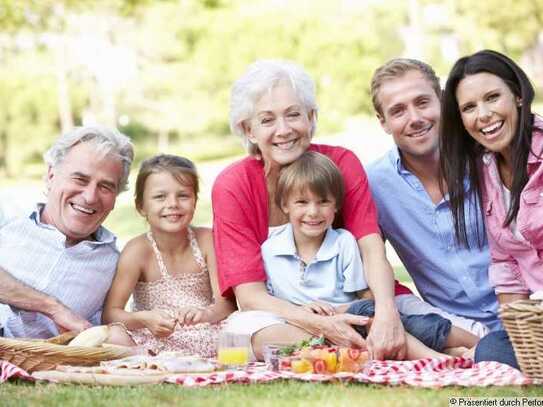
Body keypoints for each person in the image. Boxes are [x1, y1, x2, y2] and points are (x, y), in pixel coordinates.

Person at [212, 59, 409, 361]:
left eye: (293, 115)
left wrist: (386, 312)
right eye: (267, 120)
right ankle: (368, 349)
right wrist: (322, 325)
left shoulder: (341, 164)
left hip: (357, 303)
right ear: (248, 129)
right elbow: (249, 296)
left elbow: (371, 248)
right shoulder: (233, 185)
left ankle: (369, 344)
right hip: (283, 314)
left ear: (311, 117)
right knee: (245, 332)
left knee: (410, 318)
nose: (284, 130)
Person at [263, 151, 478, 359]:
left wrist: (333, 311)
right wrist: (305, 313)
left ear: (336, 205)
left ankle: (476, 343)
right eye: (302, 202)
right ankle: (436, 358)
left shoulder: (343, 242)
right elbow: (268, 303)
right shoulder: (271, 249)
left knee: (406, 322)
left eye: (323, 202)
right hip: (306, 328)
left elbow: (363, 298)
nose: (313, 212)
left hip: (355, 319)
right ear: (284, 205)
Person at [366, 58, 500, 338]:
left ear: (441, 101)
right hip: (456, 328)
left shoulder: (488, 157)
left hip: (524, 309)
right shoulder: (375, 185)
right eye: (398, 111)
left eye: (422, 102)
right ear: (384, 122)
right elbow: (365, 264)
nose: (415, 118)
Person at [440, 49, 543, 369]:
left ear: (518, 96)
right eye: (469, 107)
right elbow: (505, 259)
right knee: (493, 350)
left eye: (492, 97)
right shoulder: (484, 170)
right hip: (536, 320)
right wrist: (520, 331)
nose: (482, 115)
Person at [0, 125, 134, 338]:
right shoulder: (7, 224)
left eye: (106, 186)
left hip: (40, 367)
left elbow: (107, 331)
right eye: (80, 179)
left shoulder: (116, 266)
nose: (90, 197)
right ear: (51, 175)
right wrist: (52, 307)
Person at [102, 154, 235, 357]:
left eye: (183, 195)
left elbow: (226, 303)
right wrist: (144, 319)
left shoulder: (207, 240)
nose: (173, 204)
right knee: (113, 335)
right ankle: (150, 361)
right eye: (160, 197)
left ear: (195, 201)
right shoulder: (137, 251)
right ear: (141, 206)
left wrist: (205, 314)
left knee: (245, 325)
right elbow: (111, 314)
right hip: (155, 338)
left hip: (207, 331)